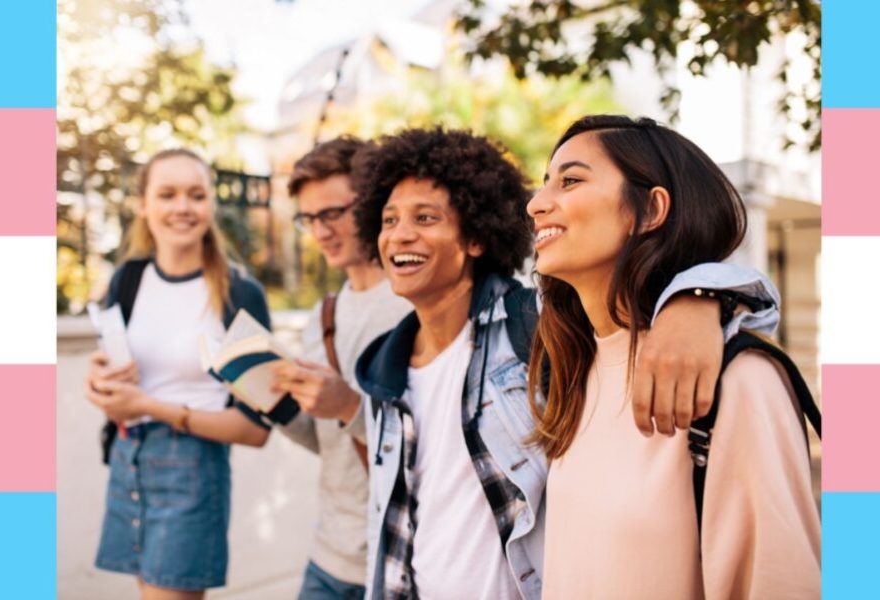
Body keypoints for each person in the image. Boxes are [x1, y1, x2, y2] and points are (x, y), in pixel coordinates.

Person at [351, 127, 781, 599]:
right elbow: (390, 521)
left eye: (425, 217)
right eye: (388, 220)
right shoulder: (380, 372)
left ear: (476, 237)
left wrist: (698, 298)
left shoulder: (533, 330)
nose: (400, 234)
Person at [528, 115, 820, 599]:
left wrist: (706, 296)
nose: (536, 204)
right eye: (543, 185)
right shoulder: (571, 368)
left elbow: (777, 583)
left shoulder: (737, 379)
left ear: (650, 210)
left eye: (571, 180)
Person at [86, 148, 275, 600]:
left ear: (211, 203)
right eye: (167, 194)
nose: (182, 208)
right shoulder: (126, 280)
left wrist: (149, 406)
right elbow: (114, 373)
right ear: (143, 204)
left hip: (193, 471)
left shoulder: (239, 294)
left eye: (196, 195)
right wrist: (99, 382)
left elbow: (254, 428)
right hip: (129, 461)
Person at [269, 136, 414, 599]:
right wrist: (273, 405)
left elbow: (441, 446)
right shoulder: (322, 315)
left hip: (400, 558)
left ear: (372, 201)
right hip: (328, 556)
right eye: (309, 218)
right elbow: (328, 443)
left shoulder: (417, 304)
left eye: (333, 213)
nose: (321, 232)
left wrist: (349, 405)